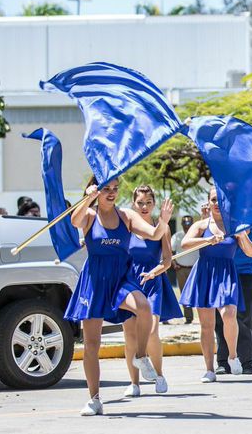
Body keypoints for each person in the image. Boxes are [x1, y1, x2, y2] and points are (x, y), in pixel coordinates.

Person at [66, 177, 172, 416]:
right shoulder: (90, 215)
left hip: (120, 279)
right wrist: (88, 199)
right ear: (96, 190)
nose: (112, 193)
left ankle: (141, 356)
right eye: (106, 189)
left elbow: (154, 234)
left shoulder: (126, 216)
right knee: (91, 344)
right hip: (95, 281)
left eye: (115, 188)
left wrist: (164, 222)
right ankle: (94, 399)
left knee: (143, 307)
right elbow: (74, 221)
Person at [179, 187, 252, 383]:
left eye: (221, 200)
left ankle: (233, 356)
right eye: (214, 199)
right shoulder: (201, 225)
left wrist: (242, 235)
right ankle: (209, 369)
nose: (217, 204)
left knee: (229, 314)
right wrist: (207, 240)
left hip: (226, 273)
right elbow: (185, 243)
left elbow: (250, 252)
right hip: (205, 272)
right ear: (208, 202)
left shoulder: (235, 226)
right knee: (207, 325)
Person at [123, 185, 182, 397]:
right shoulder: (127, 226)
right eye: (140, 203)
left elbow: (167, 260)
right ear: (133, 204)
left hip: (153, 281)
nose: (144, 206)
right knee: (130, 334)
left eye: (148, 202)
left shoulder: (161, 227)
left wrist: (153, 272)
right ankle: (134, 383)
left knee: (151, 331)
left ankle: (159, 375)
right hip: (130, 282)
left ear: (154, 204)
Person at [215, 229, 252, 375]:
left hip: (244, 273)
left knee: (244, 318)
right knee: (221, 319)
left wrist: (242, 234)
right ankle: (223, 362)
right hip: (222, 273)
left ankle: (246, 361)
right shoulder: (219, 224)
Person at [172, 215, 198, 324]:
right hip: (181, 269)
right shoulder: (177, 236)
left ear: (192, 224)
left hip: (196, 269)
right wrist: (174, 264)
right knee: (184, 294)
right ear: (182, 224)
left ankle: (203, 317)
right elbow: (171, 251)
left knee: (199, 293)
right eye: (185, 223)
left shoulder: (197, 235)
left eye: (189, 223)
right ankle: (188, 317)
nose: (187, 226)